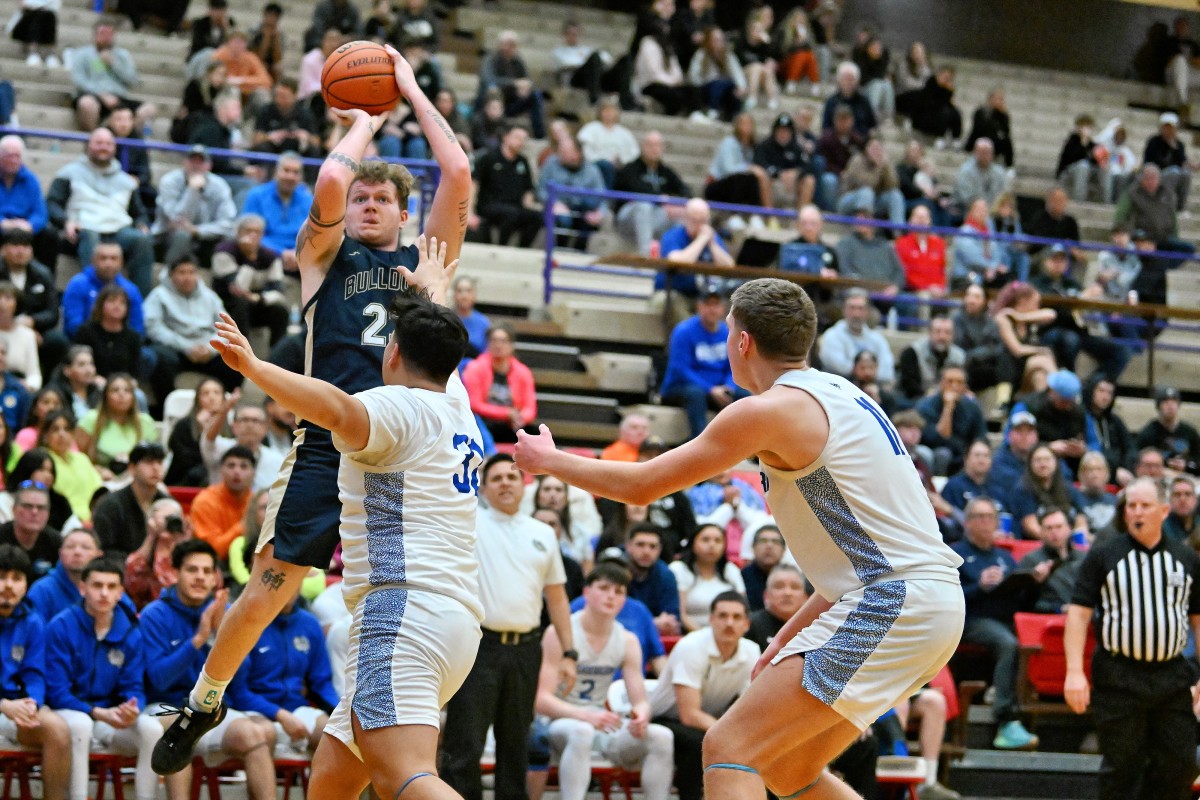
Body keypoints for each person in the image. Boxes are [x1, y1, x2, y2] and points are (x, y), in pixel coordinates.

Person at [515, 277, 966, 800]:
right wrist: (784, 637)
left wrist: (549, 461)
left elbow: (643, 487)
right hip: (923, 601)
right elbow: (852, 557)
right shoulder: (842, 394)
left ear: (743, 341)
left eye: (729, 331)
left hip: (893, 600)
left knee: (729, 748)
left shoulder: (769, 411)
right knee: (789, 769)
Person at [1064, 478, 1200, 800]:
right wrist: (1073, 672)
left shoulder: (1186, 559)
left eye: (1145, 505)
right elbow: (1078, 615)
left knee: (1181, 764)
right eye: (1131, 506)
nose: (1136, 512)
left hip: (1172, 677)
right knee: (1122, 768)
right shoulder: (1103, 556)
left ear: (1164, 511)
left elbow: (1198, 620)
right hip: (1119, 677)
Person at [140, 538, 279, 800]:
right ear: (174, 573)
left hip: (213, 710)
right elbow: (159, 679)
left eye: (207, 571)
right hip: (165, 708)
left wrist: (220, 636)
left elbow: (240, 679)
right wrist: (199, 639)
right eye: (192, 570)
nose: (200, 577)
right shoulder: (154, 614)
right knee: (181, 729)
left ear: (216, 577)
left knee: (255, 736)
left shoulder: (226, 612)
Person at [535, 563, 675, 800]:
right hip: (557, 722)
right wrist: (585, 716)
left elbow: (640, 700)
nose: (611, 596)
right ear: (586, 593)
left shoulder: (628, 640)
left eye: (619, 592)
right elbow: (540, 700)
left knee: (662, 736)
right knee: (581, 732)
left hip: (599, 722)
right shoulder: (559, 633)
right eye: (604, 588)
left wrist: (641, 716)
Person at [46, 557, 163, 800]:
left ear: (121, 592)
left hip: (108, 717)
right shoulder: (61, 626)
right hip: (68, 712)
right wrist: (97, 712)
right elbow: (57, 692)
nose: (104, 593)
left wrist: (133, 707)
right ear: (82, 588)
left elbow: (134, 686)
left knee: (152, 728)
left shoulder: (130, 631)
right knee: (81, 724)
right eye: (97, 585)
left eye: (111, 587)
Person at [646, 592, 759, 800]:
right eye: (722, 616)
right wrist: (729, 735)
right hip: (663, 720)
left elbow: (746, 708)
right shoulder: (691, 646)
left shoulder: (752, 651)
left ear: (747, 624)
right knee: (699, 742)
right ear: (711, 620)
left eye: (736, 617)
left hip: (708, 721)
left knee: (757, 743)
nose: (729, 623)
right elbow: (688, 715)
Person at [950, 496, 1037, 749]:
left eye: (991, 517)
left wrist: (1034, 583)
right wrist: (981, 586)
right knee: (1008, 643)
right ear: (967, 522)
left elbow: (1021, 598)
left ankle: (1002, 693)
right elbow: (949, 598)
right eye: (980, 517)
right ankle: (1005, 719)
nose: (987, 522)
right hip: (971, 620)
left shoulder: (1005, 557)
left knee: (1029, 640)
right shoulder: (956, 554)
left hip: (1004, 618)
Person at [45, 128, 154, 297]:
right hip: (83, 229)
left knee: (141, 240)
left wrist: (142, 224)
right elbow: (52, 204)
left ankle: (141, 301)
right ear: (88, 146)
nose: (103, 147)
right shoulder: (68, 173)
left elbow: (139, 213)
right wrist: (66, 221)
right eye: (99, 143)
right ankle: (97, 297)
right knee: (91, 239)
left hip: (118, 231)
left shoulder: (126, 181)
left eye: (108, 144)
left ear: (115, 148)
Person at [0, 544, 70, 800]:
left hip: (16, 707)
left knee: (59, 730)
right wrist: (4, 705)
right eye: (2, 576)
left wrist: (32, 703)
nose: (8, 585)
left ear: (25, 586)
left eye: (16, 578)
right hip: (4, 706)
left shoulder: (33, 621)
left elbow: (34, 673)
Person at [234, 592, 339, 756]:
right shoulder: (247, 619)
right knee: (262, 734)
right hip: (253, 710)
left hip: (296, 708)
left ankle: (319, 782)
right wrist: (279, 714)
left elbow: (322, 681)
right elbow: (238, 691)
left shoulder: (309, 624)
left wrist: (341, 714)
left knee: (338, 735)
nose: (289, 585)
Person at [145, 253, 242, 399]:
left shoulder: (210, 297)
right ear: (171, 275)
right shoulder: (158, 295)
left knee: (236, 358)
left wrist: (211, 349)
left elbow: (226, 326)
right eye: (182, 272)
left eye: (191, 272)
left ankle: (226, 407)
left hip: (208, 349)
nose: (187, 277)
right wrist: (186, 347)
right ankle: (166, 407)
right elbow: (153, 327)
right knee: (159, 357)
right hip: (176, 348)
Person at [659, 289, 745, 440]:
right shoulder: (684, 331)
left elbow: (733, 365)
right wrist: (710, 389)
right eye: (708, 304)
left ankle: (744, 444)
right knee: (695, 394)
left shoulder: (727, 333)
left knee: (744, 395)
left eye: (716, 305)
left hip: (718, 388)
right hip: (682, 387)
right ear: (699, 307)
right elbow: (680, 368)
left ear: (723, 308)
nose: (712, 309)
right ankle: (699, 440)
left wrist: (728, 386)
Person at [210, 213, 289, 349]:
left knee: (280, 311)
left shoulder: (270, 257)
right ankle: (241, 353)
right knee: (241, 303)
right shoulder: (223, 252)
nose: (252, 235)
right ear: (238, 232)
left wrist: (259, 299)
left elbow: (279, 292)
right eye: (248, 231)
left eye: (257, 232)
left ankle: (278, 357)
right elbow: (238, 288)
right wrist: (250, 258)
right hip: (225, 305)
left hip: (254, 302)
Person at [612, 131, 690, 256]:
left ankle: (678, 257)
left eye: (658, 145)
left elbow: (685, 190)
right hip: (628, 218)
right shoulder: (630, 169)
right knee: (643, 205)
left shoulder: (666, 172)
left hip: (656, 217)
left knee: (682, 212)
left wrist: (675, 203)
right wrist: (660, 198)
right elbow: (636, 188)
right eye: (651, 145)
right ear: (643, 147)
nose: (655, 149)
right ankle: (646, 255)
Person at [69, 20, 155, 132]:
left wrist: (114, 64)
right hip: (93, 96)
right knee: (87, 104)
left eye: (109, 34)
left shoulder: (122, 55)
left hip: (119, 98)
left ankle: (129, 139)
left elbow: (133, 80)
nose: (105, 37)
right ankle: (95, 138)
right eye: (102, 33)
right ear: (94, 35)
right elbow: (78, 79)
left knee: (149, 109)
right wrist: (101, 94)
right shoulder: (82, 54)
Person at [0, 227, 66, 372]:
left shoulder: (43, 274)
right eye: (15, 246)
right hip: (2, 325)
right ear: (3, 249)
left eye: (25, 246)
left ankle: (45, 384)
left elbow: (52, 313)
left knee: (57, 340)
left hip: (34, 328)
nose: (20, 251)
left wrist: (33, 322)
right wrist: (15, 327)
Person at [467, 124, 543, 248]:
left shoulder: (523, 162)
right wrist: (469, 212)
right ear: (506, 137)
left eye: (524, 139)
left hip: (515, 206)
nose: (521, 142)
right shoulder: (489, 158)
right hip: (489, 205)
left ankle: (522, 250)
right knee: (511, 214)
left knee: (536, 217)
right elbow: (474, 184)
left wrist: (530, 205)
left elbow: (528, 189)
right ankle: (502, 247)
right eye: (517, 137)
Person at [90, 441, 168, 561]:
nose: (156, 468)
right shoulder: (111, 505)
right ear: (132, 468)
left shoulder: (167, 503)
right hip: (118, 569)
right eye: (148, 462)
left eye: (159, 462)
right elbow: (104, 550)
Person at [463, 324, 537, 445]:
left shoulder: (523, 372)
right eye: (494, 340)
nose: (498, 345)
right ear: (488, 344)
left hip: (511, 424)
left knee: (536, 433)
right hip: (483, 422)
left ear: (512, 345)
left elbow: (530, 408)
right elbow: (474, 404)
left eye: (503, 341)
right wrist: (507, 414)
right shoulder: (474, 368)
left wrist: (520, 418)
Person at [241, 153, 313, 274]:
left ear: (301, 177)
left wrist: (298, 253)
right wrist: (281, 252)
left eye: (295, 172)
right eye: (286, 170)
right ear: (276, 172)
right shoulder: (256, 195)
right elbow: (248, 232)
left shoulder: (308, 200)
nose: (290, 176)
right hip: (263, 254)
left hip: (300, 258)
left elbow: (314, 235)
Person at [59, 242, 145, 340]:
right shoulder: (78, 284)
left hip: (121, 345)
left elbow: (137, 327)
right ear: (93, 260)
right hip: (84, 342)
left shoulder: (130, 290)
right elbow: (73, 324)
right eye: (103, 258)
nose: (108, 263)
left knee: (147, 355)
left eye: (113, 258)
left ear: (121, 262)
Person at [75, 373, 155, 479]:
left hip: (137, 479)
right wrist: (96, 470)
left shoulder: (145, 422)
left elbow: (153, 459)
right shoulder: (91, 419)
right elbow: (76, 456)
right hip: (99, 479)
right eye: (115, 390)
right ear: (106, 395)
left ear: (134, 397)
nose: (121, 395)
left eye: (127, 391)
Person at [670, 523, 745, 631]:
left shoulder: (731, 569)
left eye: (718, 541)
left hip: (728, 633)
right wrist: (707, 638)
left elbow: (742, 609)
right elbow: (681, 616)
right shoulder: (679, 569)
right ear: (693, 543)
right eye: (705, 540)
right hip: (689, 634)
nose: (712, 545)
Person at [475, 30, 547, 139]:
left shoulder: (518, 61)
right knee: (492, 89)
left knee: (535, 94)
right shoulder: (490, 59)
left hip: (511, 103)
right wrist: (514, 83)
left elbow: (527, 80)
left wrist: (525, 88)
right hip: (491, 101)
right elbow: (488, 80)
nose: (510, 48)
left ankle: (540, 135)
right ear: (501, 45)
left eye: (513, 45)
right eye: (508, 44)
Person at [190, 445, 256, 561]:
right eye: (231, 466)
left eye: (244, 466)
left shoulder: (257, 503)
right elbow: (211, 552)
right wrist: (243, 526)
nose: (237, 471)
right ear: (221, 470)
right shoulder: (206, 501)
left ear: (253, 472)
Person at [817, 288, 895, 385]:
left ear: (867, 312)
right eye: (852, 308)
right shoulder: (831, 336)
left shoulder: (878, 340)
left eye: (860, 308)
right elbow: (839, 368)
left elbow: (887, 372)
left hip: (876, 389)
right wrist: (869, 373)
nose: (856, 314)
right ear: (844, 310)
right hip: (840, 388)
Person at [1018, 507, 1084, 614]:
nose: (1054, 532)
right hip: (1049, 619)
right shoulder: (1031, 560)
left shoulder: (1083, 558)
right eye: (1048, 528)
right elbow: (1024, 603)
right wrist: (1059, 609)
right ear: (1041, 532)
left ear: (1069, 528)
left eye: (1059, 527)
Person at [25, 528, 100, 621]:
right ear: (60, 553)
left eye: (85, 547)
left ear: (98, 555)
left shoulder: (109, 588)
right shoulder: (42, 590)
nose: (77, 552)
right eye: (70, 546)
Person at [624, 525, 682, 635]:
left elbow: (672, 621)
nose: (646, 551)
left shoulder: (666, 575)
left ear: (660, 550)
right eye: (640, 545)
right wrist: (652, 623)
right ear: (628, 546)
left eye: (653, 546)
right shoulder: (616, 570)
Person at [0, 481, 61, 580]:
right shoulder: (1, 536)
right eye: (27, 506)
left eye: (41, 507)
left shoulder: (56, 542)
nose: (34, 512)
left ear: (48, 513)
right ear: (14, 509)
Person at [897, 316, 965, 403]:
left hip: (949, 398)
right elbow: (909, 386)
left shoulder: (959, 356)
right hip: (915, 399)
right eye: (938, 331)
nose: (942, 337)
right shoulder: (912, 352)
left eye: (947, 332)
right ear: (930, 333)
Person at [1136, 386, 1200, 476]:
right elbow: (1139, 460)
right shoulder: (1149, 433)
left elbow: (1197, 459)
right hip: (1159, 477)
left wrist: (1186, 465)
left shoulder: (1190, 432)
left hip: (1188, 478)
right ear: (1158, 406)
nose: (1170, 406)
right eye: (1166, 402)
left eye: (1174, 402)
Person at [745, 563, 808, 649]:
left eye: (794, 587)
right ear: (766, 595)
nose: (787, 593)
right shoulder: (749, 625)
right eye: (779, 587)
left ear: (805, 597)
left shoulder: (815, 627)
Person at [1143, 111, 1194, 211]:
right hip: (1157, 173)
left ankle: (1181, 208)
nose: (1169, 131)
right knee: (1174, 172)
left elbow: (1182, 161)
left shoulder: (1179, 144)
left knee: (1186, 174)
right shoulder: (1154, 142)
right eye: (1166, 127)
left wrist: (1174, 148)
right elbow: (1152, 162)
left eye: (1171, 128)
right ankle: (1164, 205)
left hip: (1175, 173)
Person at [1056, 115, 1106, 203]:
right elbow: (1071, 158)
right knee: (1083, 166)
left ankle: (1105, 200)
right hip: (1070, 171)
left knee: (1105, 169)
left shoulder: (1092, 144)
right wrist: (1083, 144)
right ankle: (1079, 200)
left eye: (1089, 127)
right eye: (1085, 127)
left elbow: (1095, 162)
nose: (1087, 130)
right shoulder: (1072, 141)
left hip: (1088, 172)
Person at [953, 138, 1008, 211]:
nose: (984, 156)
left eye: (987, 153)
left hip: (993, 212)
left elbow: (1004, 194)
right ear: (975, 152)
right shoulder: (965, 171)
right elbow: (966, 198)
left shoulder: (999, 172)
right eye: (982, 153)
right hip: (966, 210)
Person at [739, 525, 786, 611]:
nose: (769, 546)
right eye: (763, 541)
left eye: (775, 542)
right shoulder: (741, 577)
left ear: (783, 550)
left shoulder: (792, 577)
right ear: (753, 547)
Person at [964, 90, 1013, 168]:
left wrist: (1002, 116)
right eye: (997, 99)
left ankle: (1009, 166)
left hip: (995, 142)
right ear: (990, 99)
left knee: (1007, 140)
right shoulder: (981, 112)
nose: (999, 101)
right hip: (980, 138)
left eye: (1001, 99)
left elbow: (1006, 131)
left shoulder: (1003, 115)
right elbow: (979, 129)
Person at [1164, 475, 1199, 543]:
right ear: (1170, 500)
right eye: (1177, 494)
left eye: (1188, 494)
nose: (1183, 499)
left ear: (1195, 499)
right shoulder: (1161, 527)